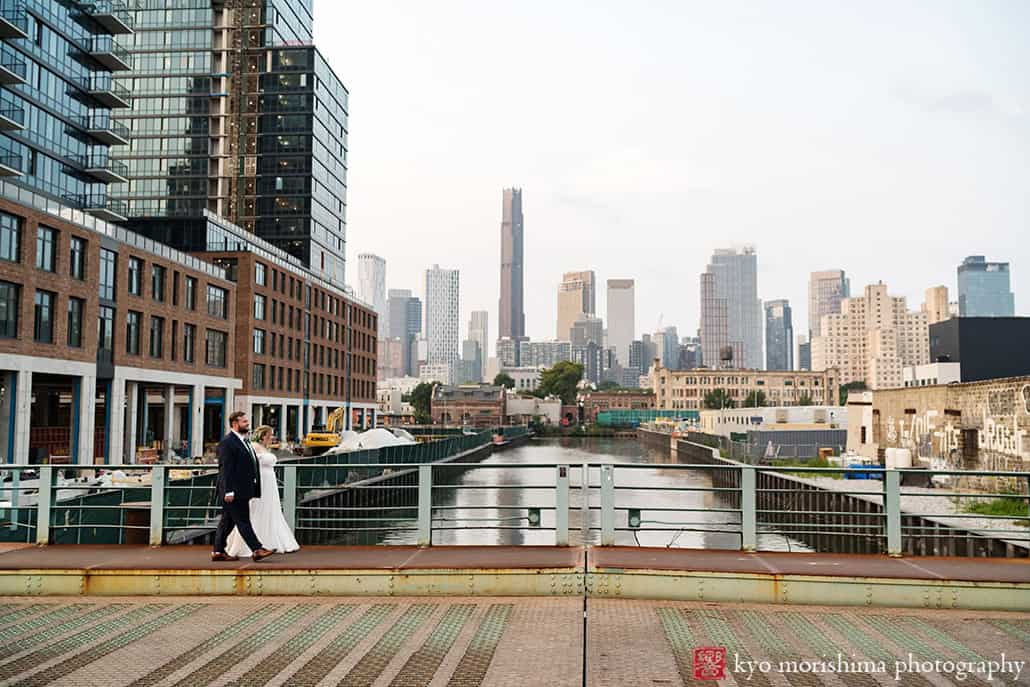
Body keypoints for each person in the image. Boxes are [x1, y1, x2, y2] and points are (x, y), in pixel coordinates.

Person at [226, 425, 300, 557]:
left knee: (271, 509)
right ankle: (253, 544)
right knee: (257, 509)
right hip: (261, 482)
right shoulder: (253, 446)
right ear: (264, 435)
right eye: (270, 435)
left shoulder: (264, 448)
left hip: (269, 483)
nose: (272, 438)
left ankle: (269, 540)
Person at [212, 411, 274, 562]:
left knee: (227, 521)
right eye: (244, 422)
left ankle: (218, 552)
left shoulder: (243, 441)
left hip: (241, 490)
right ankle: (257, 549)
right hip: (233, 491)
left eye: (247, 421)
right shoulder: (228, 442)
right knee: (243, 520)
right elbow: (226, 468)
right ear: (235, 424)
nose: (247, 424)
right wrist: (229, 491)